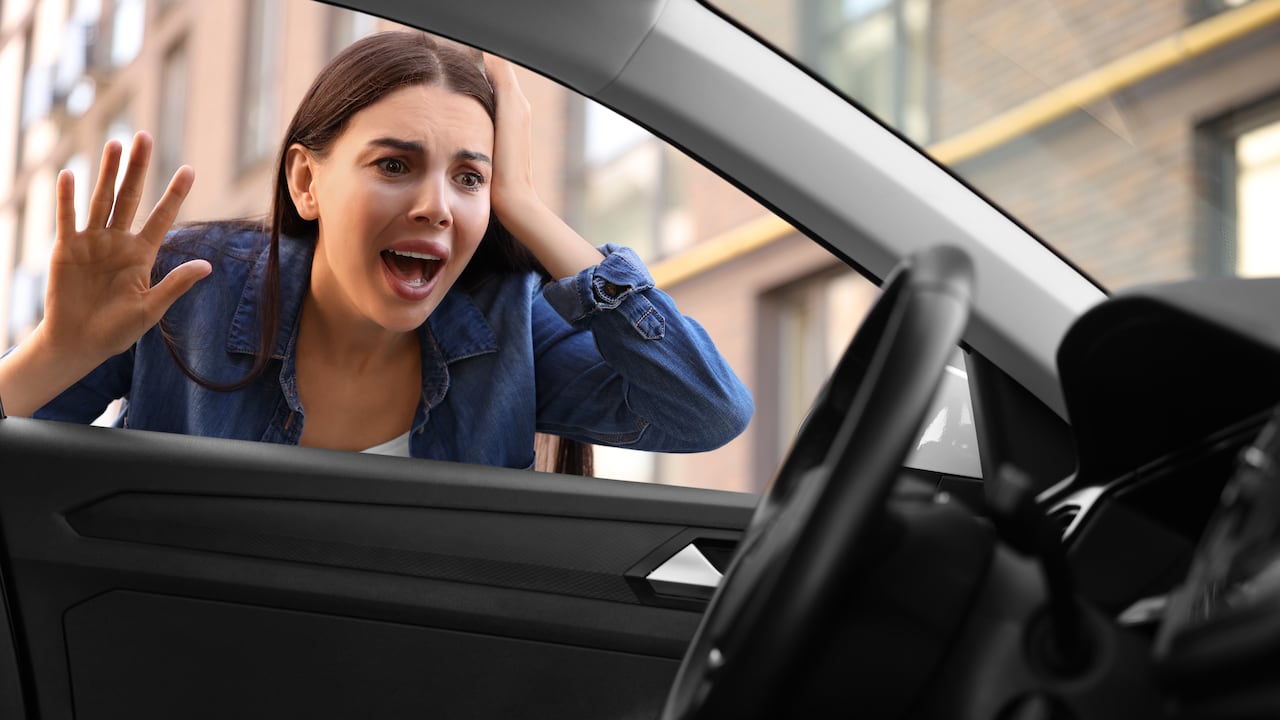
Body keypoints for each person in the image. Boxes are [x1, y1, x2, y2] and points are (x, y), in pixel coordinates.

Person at [0, 31, 752, 474]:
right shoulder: (185, 286)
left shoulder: (508, 324)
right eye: (394, 165)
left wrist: (522, 206)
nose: (435, 205)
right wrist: (56, 352)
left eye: (469, 178)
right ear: (306, 181)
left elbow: (707, 413)